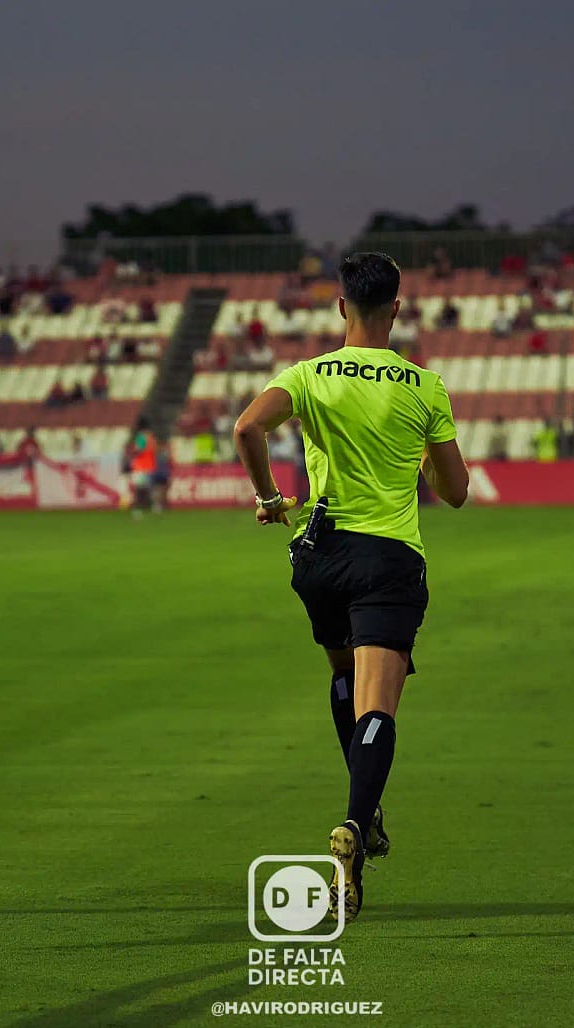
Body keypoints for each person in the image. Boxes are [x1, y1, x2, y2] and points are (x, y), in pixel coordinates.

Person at [233, 252, 468, 924]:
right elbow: (455, 494)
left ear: (341, 307)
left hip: (320, 556)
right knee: (379, 708)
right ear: (397, 308)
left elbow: (247, 427)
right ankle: (353, 831)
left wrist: (269, 496)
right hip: (388, 556)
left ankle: (367, 806)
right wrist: (423, 450)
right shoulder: (424, 385)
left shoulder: (308, 375)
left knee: (343, 675)